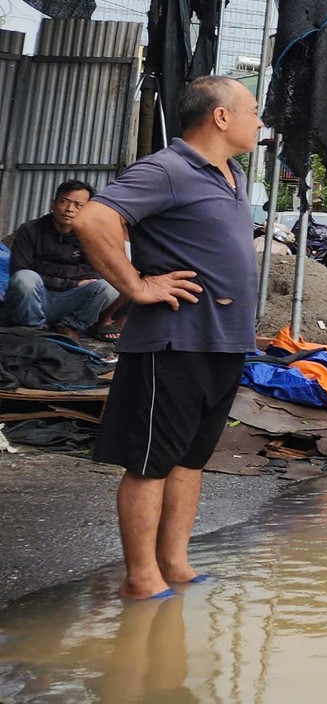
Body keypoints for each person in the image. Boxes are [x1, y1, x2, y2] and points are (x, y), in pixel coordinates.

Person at [69, 76, 259, 600]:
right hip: (173, 341)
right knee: (151, 461)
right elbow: (93, 219)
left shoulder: (234, 172)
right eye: (253, 111)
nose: (259, 121)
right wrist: (135, 285)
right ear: (221, 117)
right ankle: (141, 578)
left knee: (190, 458)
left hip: (223, 340)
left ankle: (174, 562)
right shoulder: (168, 168)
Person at [3, 180, 116, 335]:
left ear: (87, 210)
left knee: (109, 287)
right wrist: (72, 282)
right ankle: (34, 328)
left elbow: (95, 272)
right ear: (53, 204)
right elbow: (20, 269)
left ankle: (69, 326)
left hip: (69, 299)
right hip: (36, 296)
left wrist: (41, 266)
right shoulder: (30, 229)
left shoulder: (92, 235)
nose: (69, 209)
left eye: (78, 205)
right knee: (25, 278)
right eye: (64, 202)